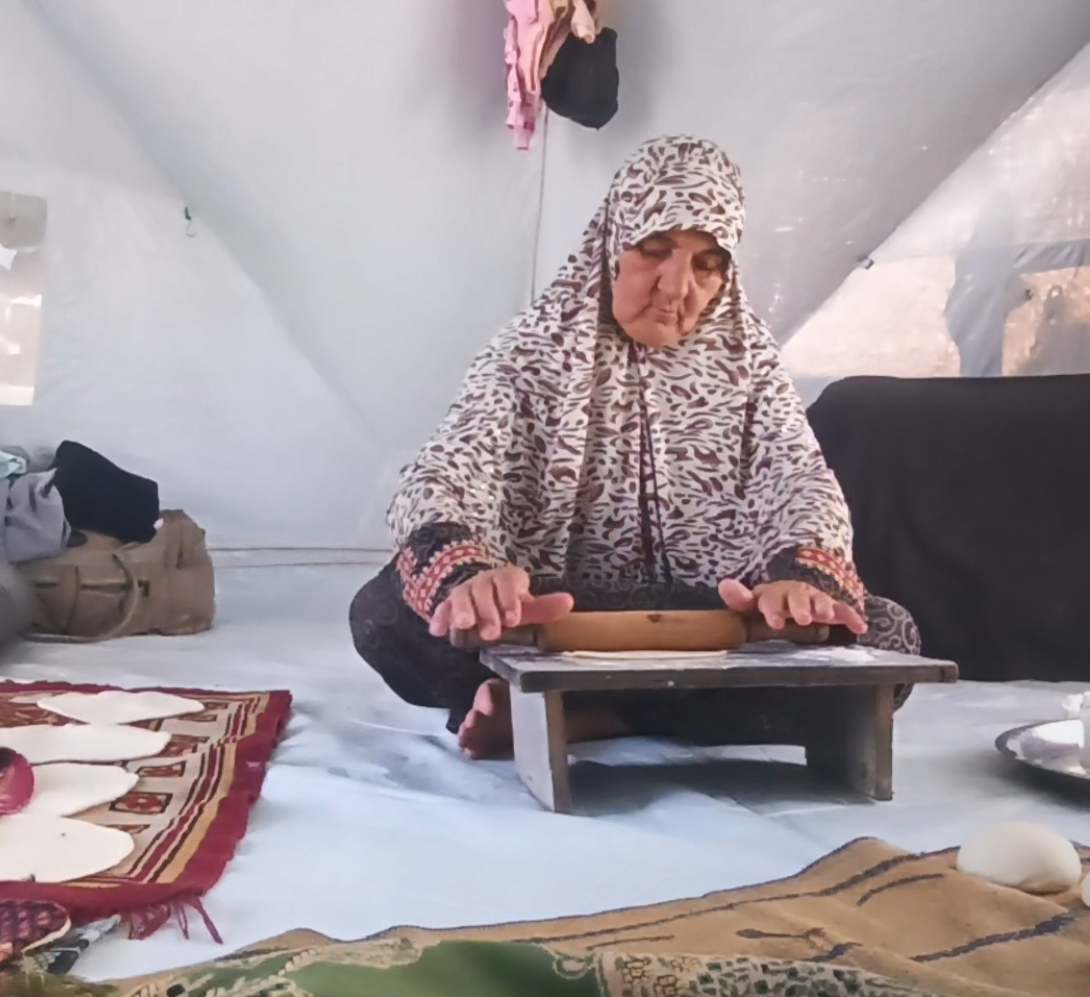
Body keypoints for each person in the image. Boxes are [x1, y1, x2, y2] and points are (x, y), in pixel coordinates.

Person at [350, 136, 921, 759]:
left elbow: (797, 476)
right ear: (610, 248)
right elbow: (449, 468)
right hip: (555, 615)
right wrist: (469, 575)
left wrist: (798, 580)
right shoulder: (531, 351)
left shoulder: (746, 358)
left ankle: (581, 717)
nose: (677, 287)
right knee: (384, 613)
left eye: (707, 263)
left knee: (887, 632)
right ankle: (632, 711)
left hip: (710, 624)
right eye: (655, 251)